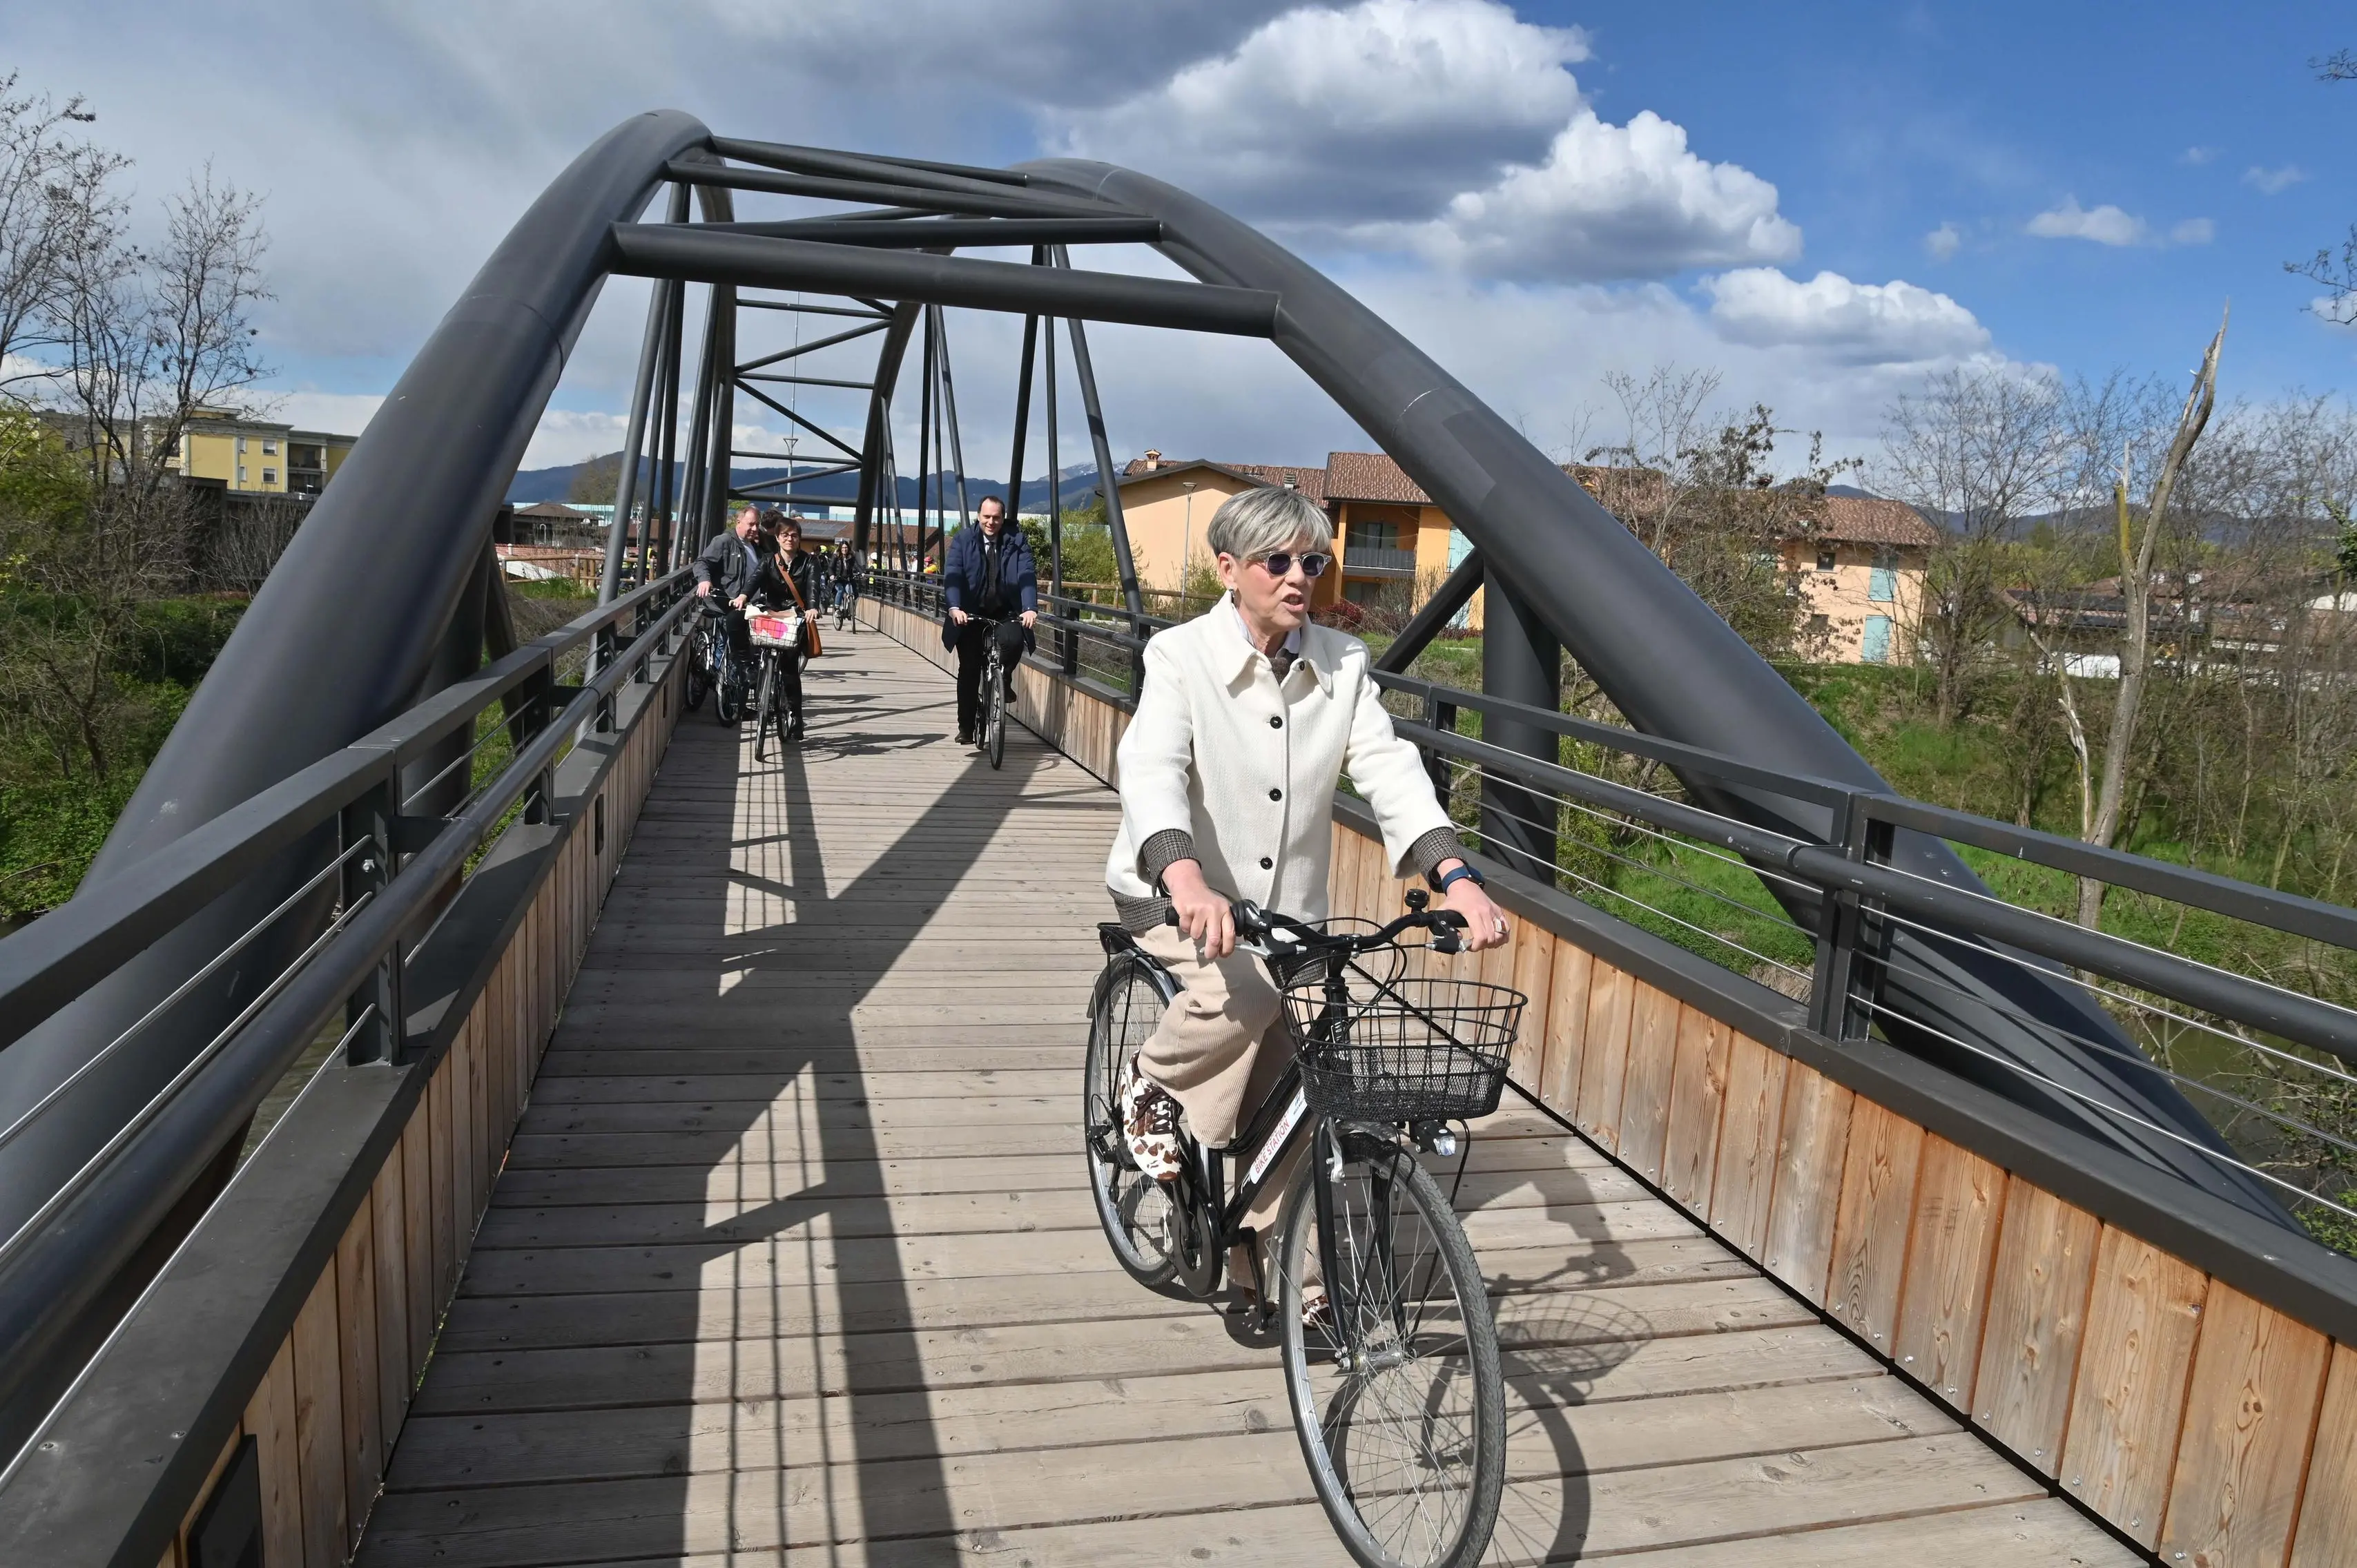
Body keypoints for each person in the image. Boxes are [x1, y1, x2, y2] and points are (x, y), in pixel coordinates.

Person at [1105, 485, 1511, 1313]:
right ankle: (1152, 1083)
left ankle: (1287, 1274)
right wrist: (1184, 877)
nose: (1301, 577)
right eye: (1278, 561)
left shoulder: (1343, 662)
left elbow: (1390, 770)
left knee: (1303, 1080)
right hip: (1179, 896)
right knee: (1247, 994)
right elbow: (1151, 770)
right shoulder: (1180, 657)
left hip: (1288, 915)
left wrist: (1455, 878)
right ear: (1229, 568)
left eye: (1313, 561)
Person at [940, 494, 1038, 746]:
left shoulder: (1016, 542)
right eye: (987, 517)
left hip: (1005, 611)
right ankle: (966, 726)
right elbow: (953, 575)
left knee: (1015, 642)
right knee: (970, 670)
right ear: (978, 516)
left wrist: (1029, 608)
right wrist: (954, 607)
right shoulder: (963, 540)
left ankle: (1003, 679)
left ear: (1003, 518)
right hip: (969, 613)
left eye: (996, 518)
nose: (991, 522)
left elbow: (1027, 574)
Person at [692, 505, 772, 717]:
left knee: (745, 656)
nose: (755, 528)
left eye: (758, 524)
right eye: (751, 524)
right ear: (739, 522)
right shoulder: (725, 542)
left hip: (747, 609)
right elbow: (702, 563)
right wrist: (705, 580)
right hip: (724, 604)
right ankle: (718, 687)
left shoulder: (756, 547)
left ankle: (738, 702)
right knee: (729, 650)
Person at [760, 515, 824, 742]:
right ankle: (761, 689)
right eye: (785, 535)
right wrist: (743, 596)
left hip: (796, 617)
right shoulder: (768, 561)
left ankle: (796, 717)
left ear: (799, 539)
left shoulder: (809, 562)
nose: (790, 539)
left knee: (789, 668)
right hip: (772, 614)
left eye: (794, 535)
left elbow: (814, 586)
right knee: (757, 647)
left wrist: (813, 607)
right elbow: (754, 580)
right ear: (777, 538)